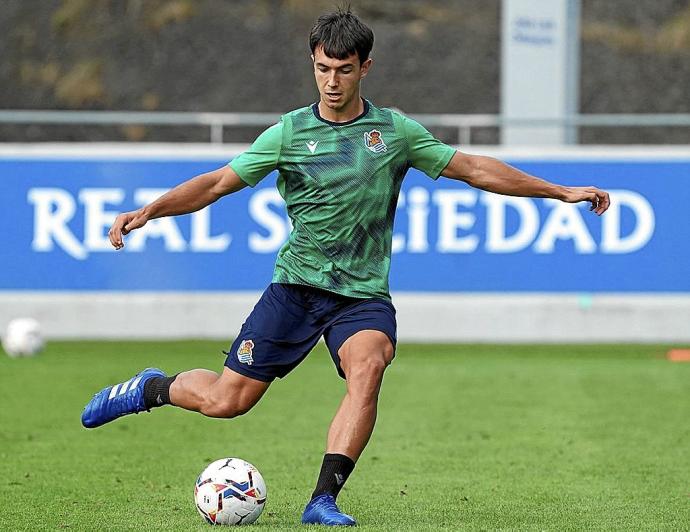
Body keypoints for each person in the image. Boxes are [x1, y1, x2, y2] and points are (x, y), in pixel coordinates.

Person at [81, 7, 610, 527]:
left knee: (369, 367)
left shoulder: (394, 132)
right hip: (295, 290)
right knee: (226, 401)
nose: (331, 81)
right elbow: (218, 183)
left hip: (361, 297)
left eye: (344, 69)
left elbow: (472, 168)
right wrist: (149, 210)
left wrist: (557, 191)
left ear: (365, 68)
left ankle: (322, 501)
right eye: (322, 68)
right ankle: (150, 388)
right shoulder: (288, 134)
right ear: (313, 64)